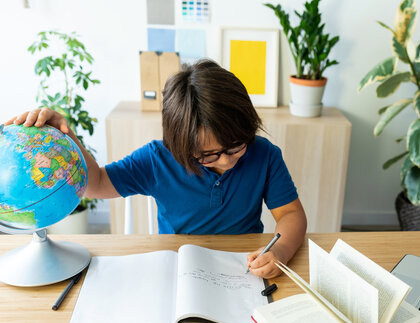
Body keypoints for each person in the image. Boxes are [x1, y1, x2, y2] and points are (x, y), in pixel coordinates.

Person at [5, 59, 307, 279]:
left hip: (245, 270)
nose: (227, 161)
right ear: (178, 145)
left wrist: (279, 253)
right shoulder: (157, 159)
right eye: (209, 156)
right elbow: (96, 183)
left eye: (236, 147)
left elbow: (291, 215)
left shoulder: (264, 155)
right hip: (179, 270)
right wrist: (68, 139)